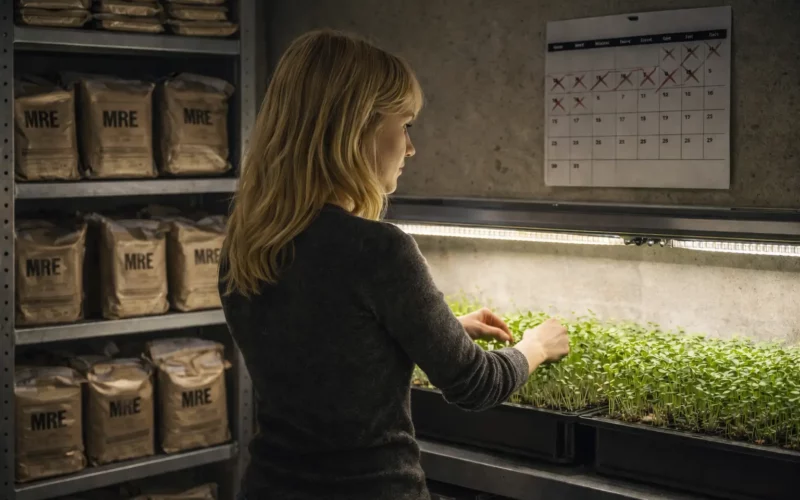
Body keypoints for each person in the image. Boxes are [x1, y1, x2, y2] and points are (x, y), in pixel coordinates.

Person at [219, 29, 570, 500]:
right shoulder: (376, 249)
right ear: (356, 127)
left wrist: (440, 327)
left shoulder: (246, 245)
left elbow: (321, 342)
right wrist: (536, 347)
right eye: (404, 125)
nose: (410, 148)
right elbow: (474, 384)